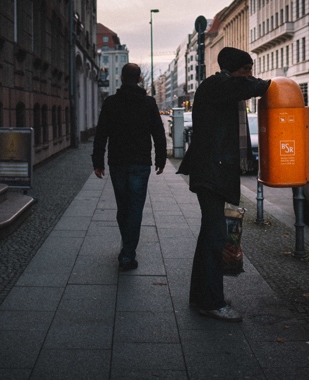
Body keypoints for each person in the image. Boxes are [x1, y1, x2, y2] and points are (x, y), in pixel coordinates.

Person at [177, 47, 271, 322]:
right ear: (232, 70)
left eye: (250, 69)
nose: (249, 75)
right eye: (245, 69)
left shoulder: (221, 87)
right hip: (211, 171)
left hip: (211, 170)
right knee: (215, 237)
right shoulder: (217, 85)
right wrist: (271, 85)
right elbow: (250, 86)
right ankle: (212, 302)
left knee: (210, 234)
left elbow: (243, 86)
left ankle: (201, 297)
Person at [92, 63, 167, 271]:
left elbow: (101, 134)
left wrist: (97, 161)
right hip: (140, 163)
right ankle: (127, 253)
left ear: (122, 79)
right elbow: (158, 134)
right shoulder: (148, 103)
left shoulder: (111, 103)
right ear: (140, 79)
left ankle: (127, 249)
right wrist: (160, 160)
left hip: (117, 163)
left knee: (123, 207)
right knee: (135, 209)